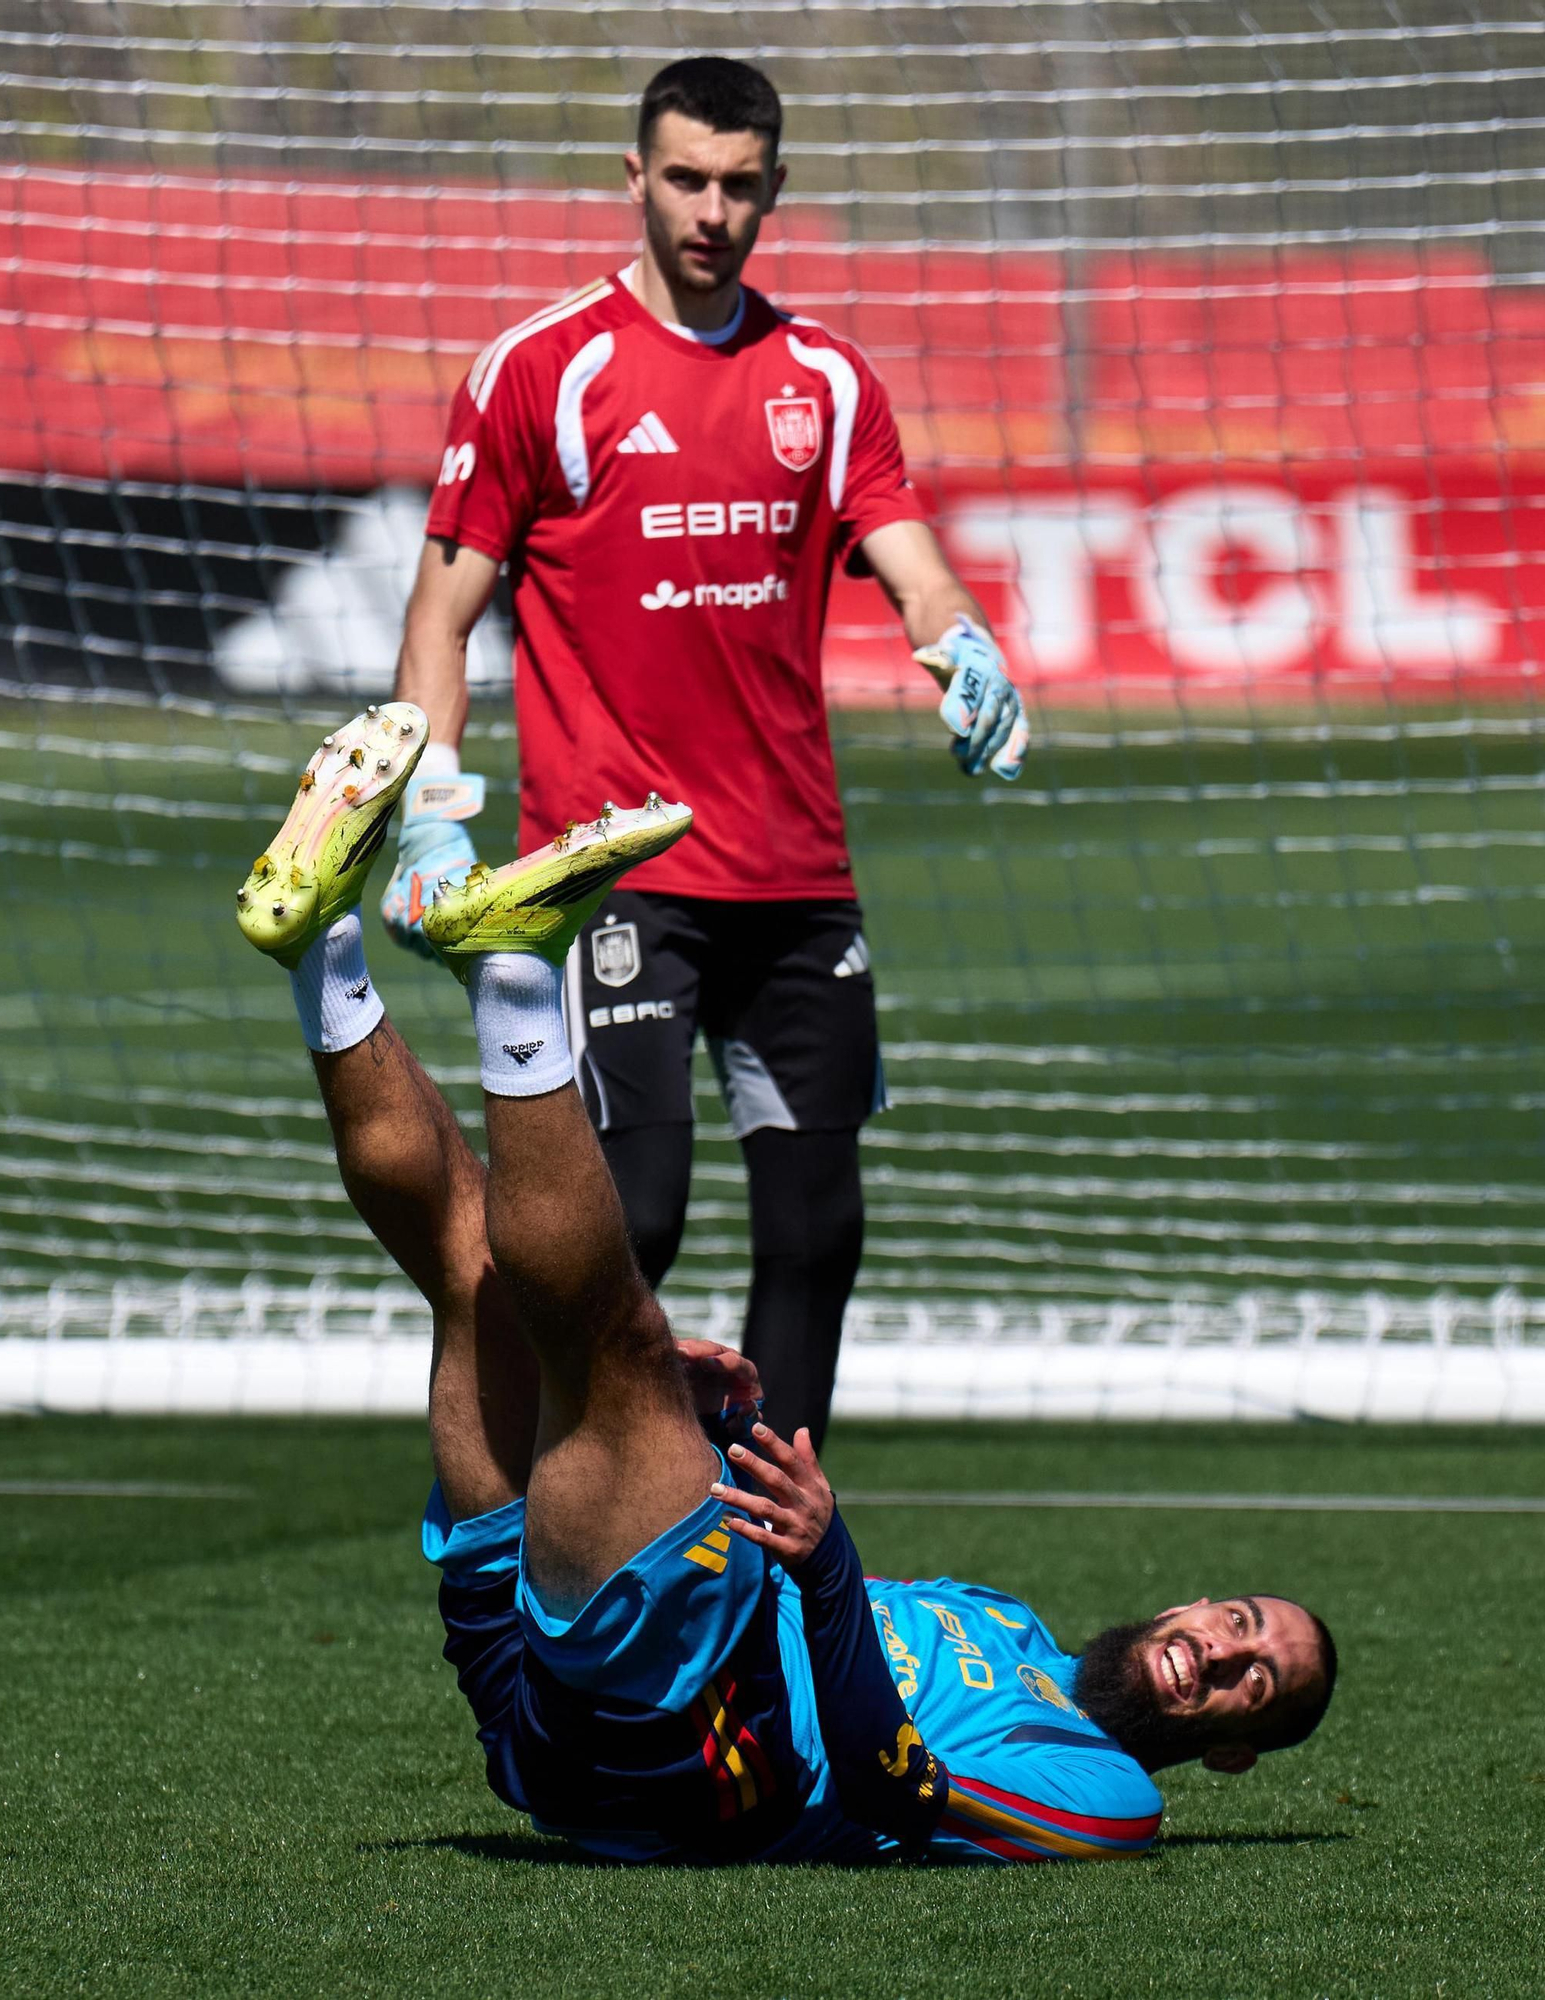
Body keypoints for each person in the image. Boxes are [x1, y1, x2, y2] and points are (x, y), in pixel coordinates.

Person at [235, 704, 1337, 1867]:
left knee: (611, 1335)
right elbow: (781, 1581)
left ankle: (516, 976)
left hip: (698, 1755)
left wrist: (814, 1542)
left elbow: (893, 1787)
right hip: (589, 1704)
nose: (1220, 1651)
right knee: (475, 1275)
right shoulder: (999, 1616)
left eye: (1252, 1680)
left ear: (1231, 1748)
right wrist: (715, 1431)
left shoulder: (1111, 1799)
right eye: (1241, 1620)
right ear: (1200, 1600)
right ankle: (320, 950)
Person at [376, 55, 1031, 1450]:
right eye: (685, 178)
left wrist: (965, 642)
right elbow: (440, 615)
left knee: (816, 1232)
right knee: (637, 1222)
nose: (710, 209)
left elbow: (915, 569)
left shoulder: (828, 383)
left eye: (739, 185)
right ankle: (540, 1493)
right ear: (635, 177)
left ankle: (769, 1549)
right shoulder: (544, 372)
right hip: (616, 878)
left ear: (775, 191)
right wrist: (430, 815)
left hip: (796, 881)